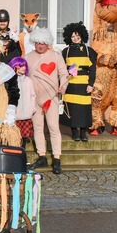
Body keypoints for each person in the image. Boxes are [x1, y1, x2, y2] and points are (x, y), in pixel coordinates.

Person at [26, 28, 69, 174]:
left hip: (51, 98)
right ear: (34, 42)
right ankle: (42, 156)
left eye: (43, 43)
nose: (40, 46)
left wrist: (63, 86)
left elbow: (64, 74)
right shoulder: (27, 57)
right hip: (34, 99)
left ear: (48, 43)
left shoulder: (56, 56)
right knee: (38, 128)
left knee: (53, 127)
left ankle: (56, 158)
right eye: (38, 43)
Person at [61, 22, 97, 142]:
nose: (75, 38)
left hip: (84, 84)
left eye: (77, 36)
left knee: (83, 109)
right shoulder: (65, 51)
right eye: (72, 36)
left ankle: (83, 132)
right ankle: (74, 132)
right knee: (72, 108)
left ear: (82, 36)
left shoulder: (89, 51)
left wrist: (91, 84)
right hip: (71, 84)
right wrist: (63, 84)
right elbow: (62, 70)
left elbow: (93, 70)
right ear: (68, 37)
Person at [8, 57, 36, 148]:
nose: (23, 68)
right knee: (15, 137)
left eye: (24, 65)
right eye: (20, 66)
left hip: (27, 114)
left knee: (24, 138)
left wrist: (32, 108)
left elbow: (32, 95)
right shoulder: (10, 81)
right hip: (15, 114)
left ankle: (22, 154)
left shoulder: (28, 80)